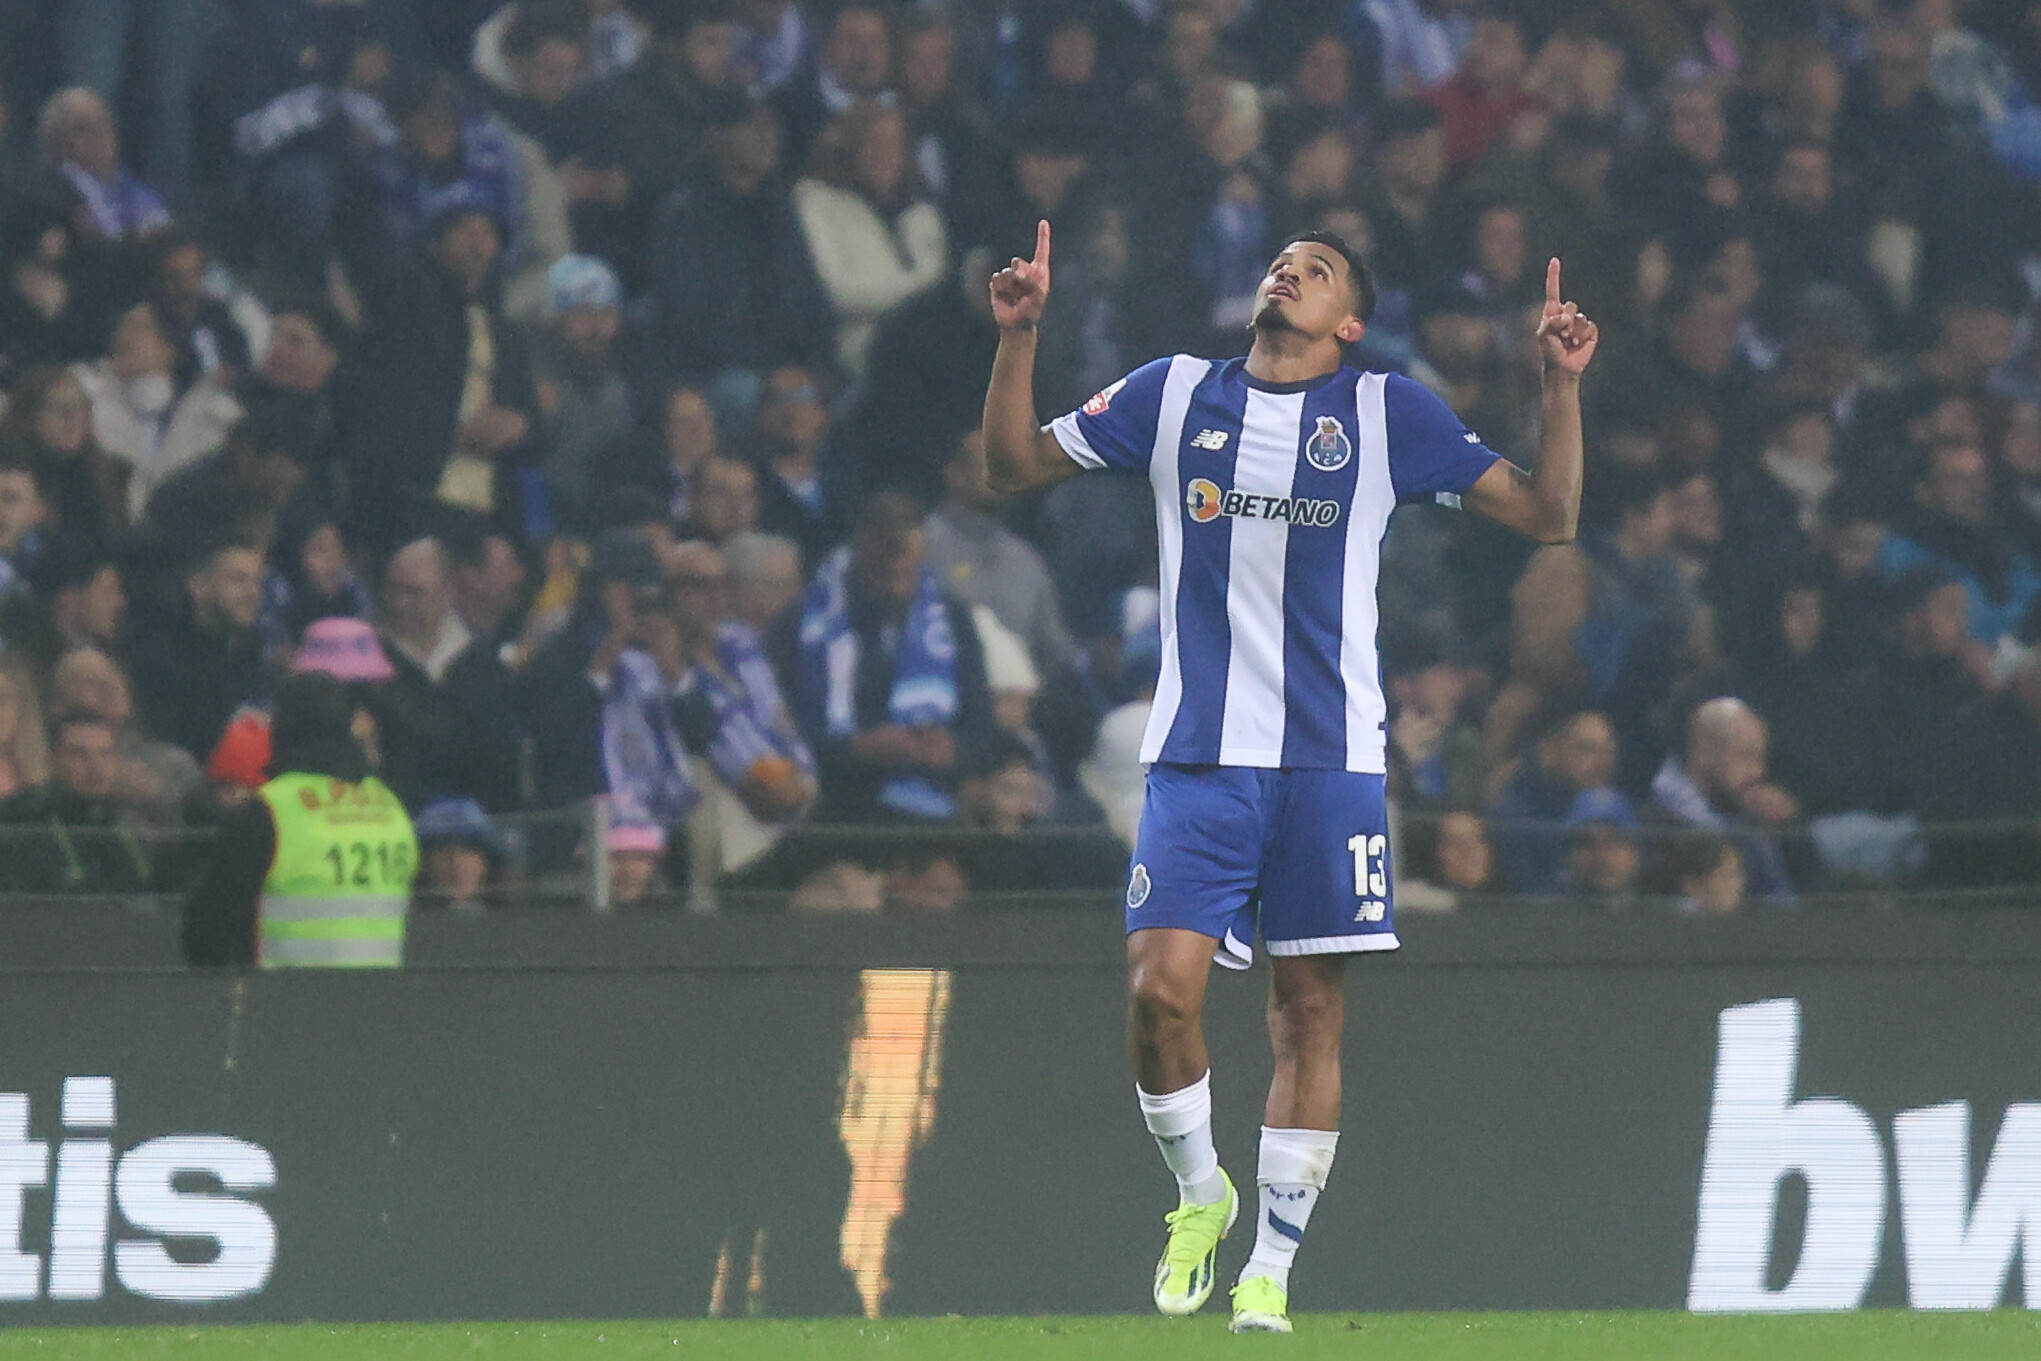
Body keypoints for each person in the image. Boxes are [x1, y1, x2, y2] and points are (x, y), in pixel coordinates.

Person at [981, 220, 1597, 1330]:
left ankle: (1272, 1257)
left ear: (1347, 322)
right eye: (1282, 261)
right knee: (1157, 991)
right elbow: (1009, 463)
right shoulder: (1171, 394)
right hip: (1200, 756)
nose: (1288, 273)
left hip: (1331, 762)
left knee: (1307, 1011)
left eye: (1316, 272)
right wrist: (1019, 337)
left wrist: (1557, 386)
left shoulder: (1383, 411)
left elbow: (1548, 515)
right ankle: (1198, 1192)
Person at [182, 671, 417, 968]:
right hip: (381, 1003)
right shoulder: (389, 806)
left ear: (283, 726)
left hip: (287, 1004)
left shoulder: (270, 811)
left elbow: (208, 931)